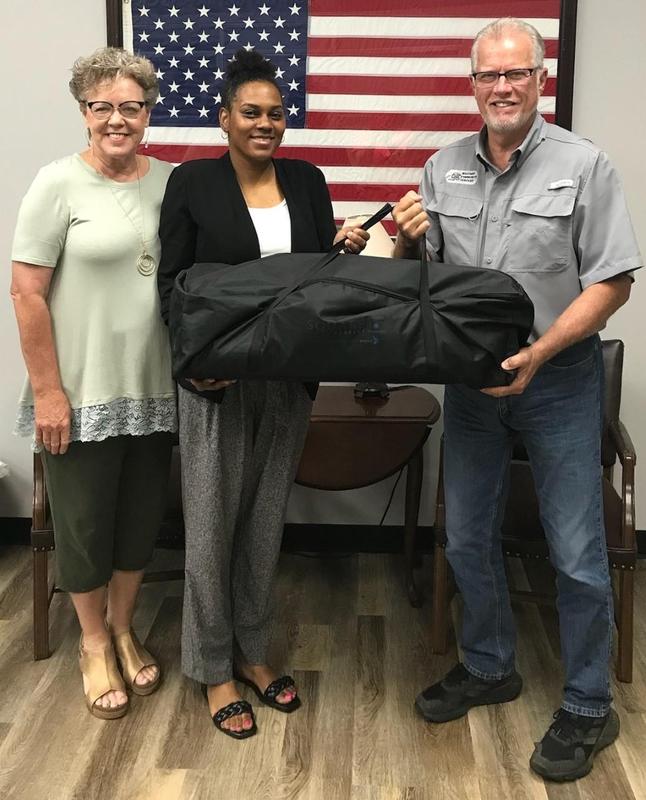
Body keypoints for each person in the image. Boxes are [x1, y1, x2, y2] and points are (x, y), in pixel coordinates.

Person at [392, 17, 642, 782]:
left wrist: (538, 353)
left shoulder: (584, 165)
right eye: (487, 75)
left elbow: (613, 281)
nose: (502, 87)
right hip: (471, 387)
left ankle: (589, 706)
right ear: (472, 85)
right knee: (466, 536)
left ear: (541, 80)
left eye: (516, 74)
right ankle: (491, 664)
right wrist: (407, 241)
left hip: (558, 381)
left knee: (575, 552)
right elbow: (426, 277)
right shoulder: (442, 168)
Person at [157, 48, 368, 740]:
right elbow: (172, 287)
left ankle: (250, 650)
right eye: (251, 112)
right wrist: (191, 367)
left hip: (287, 380)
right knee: (212, 524)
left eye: (276, 113)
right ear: (224, 118)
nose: (266, 123)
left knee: (264, 519)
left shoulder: (307, 180)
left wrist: (345, 246)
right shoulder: (192, 183)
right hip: (217, 381)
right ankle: (212, 666)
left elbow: (312, 278)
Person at [11, 47, 177, 719]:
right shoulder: (57, 184)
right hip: (78, 395)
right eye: (102, 106)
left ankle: (123, 626)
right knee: (82, 526)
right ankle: (90, 643)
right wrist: (49, 391)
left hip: (156, 387)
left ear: (147, 111)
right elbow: (26, 294)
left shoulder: (173, 182)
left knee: (140, 521)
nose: (117, 119)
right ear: (83, 112)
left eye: (130, 106)